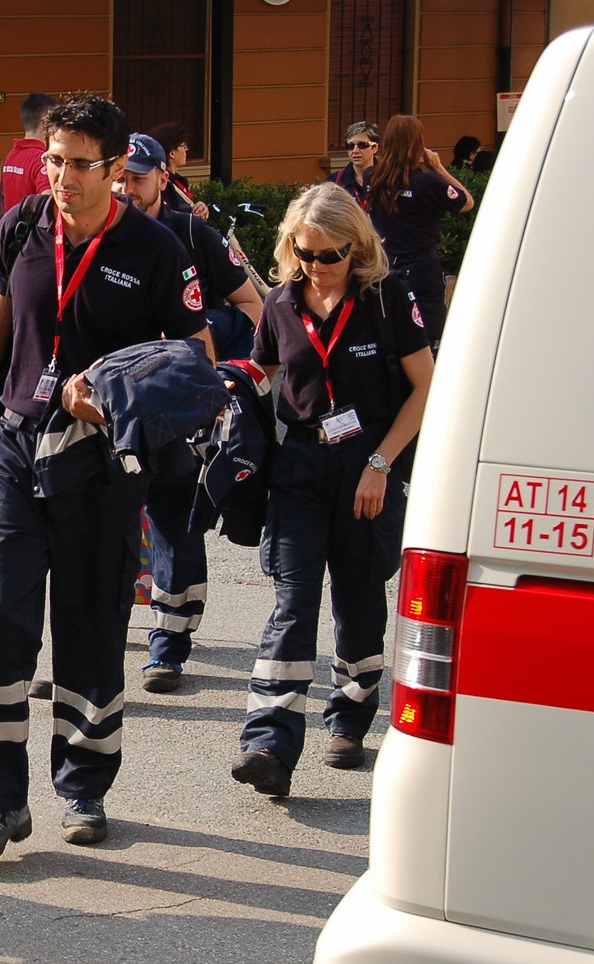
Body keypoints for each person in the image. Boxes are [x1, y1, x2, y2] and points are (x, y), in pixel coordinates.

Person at [0, 94, 211, 861]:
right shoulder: (23, 226)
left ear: (118, 168)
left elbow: (199, 369)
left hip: (101, 466)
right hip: (17, 451)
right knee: (2, 624)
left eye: (79, 163)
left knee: (90, 631)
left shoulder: (157, 251)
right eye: (53, 158)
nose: (60, 174)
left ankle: (83, 786)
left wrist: (117, 397)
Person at [231, 181, 433, 800]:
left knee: (358, 596)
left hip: (366, 466)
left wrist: (380, 464)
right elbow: (261, 373)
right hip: (300, 469)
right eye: (304, 253)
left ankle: (349, 715)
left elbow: (428, 388)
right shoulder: (283, 304)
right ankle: (267, 740)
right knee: (293, 604)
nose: (316, 268)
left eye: (329, 256)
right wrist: (216, 386)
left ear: (357, 249)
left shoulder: (386, 300)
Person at [113, 132, 263, 693]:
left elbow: (253, 308)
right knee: (105, 520)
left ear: (161, 178)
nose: (128, 188)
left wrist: (194, 346)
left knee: (174, 519)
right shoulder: (90, 237)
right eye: (120, 177)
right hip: (110, 407)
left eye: (139, 177)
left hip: (175, 409)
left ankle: (169, 646)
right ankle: (99, 636)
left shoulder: (194, 233)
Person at [366, 114, 474, 353]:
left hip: (385, 263)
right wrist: (437, 166)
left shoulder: (371, 178)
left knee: (389, 328)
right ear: (418, 146)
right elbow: (466, 202)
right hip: (421, 267)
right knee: (424, 336)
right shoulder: (428, 184)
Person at [145, 121, 209, 219]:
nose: (186, 150)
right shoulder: (162, 185)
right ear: (172, 153)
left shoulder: (179, 182)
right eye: (183, 146)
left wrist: (200, 207)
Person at [1, 92, 56, 205]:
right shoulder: (41, 160)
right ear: (45, 122)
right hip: (32, 222)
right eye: (56, 121)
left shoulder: (12, 155)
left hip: (11, 222)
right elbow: (48, 202)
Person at [329, 120, 379, 209]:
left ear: (374, 148)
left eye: (362, 145)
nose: (355, 151)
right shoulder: (335, 181)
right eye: (350, 146)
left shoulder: (388, 179)